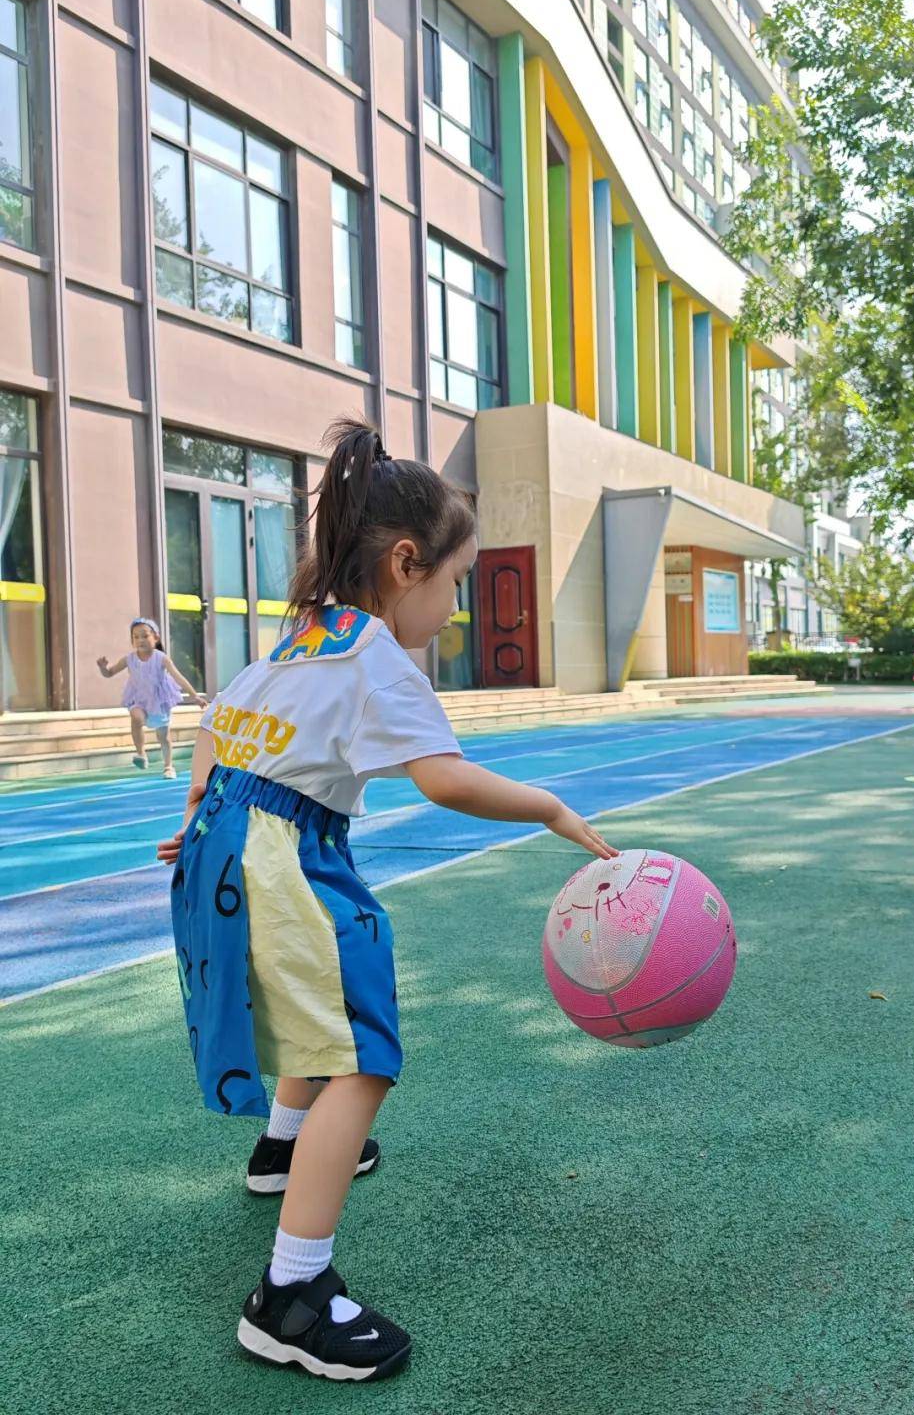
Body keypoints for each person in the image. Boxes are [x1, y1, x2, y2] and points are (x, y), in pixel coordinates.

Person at [156, 418, 617, 1384]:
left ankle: (282, 1149)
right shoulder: (374, 653)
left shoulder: (303, 635)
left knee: (308, 1014)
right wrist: (549, 809)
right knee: (362, 1055)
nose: (453, 610)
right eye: (454, 583)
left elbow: (217, 718)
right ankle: (293, 1294)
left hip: (226, 845)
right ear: (406, 563)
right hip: (284, 857)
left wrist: (205, 807)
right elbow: (443, 780)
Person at [98, 617, 206, 777]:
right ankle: (141, 754)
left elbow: (178, 677)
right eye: (136, 637)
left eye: (145, 636)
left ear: (155, 638)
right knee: (136, 717)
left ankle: (168, 766)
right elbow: (110, 673)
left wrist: (195, 696)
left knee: (163, 737)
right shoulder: (129, 659)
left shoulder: (161, 658)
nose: (140, 640)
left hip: (158, 701)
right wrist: (103, 667)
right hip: (138, 699)